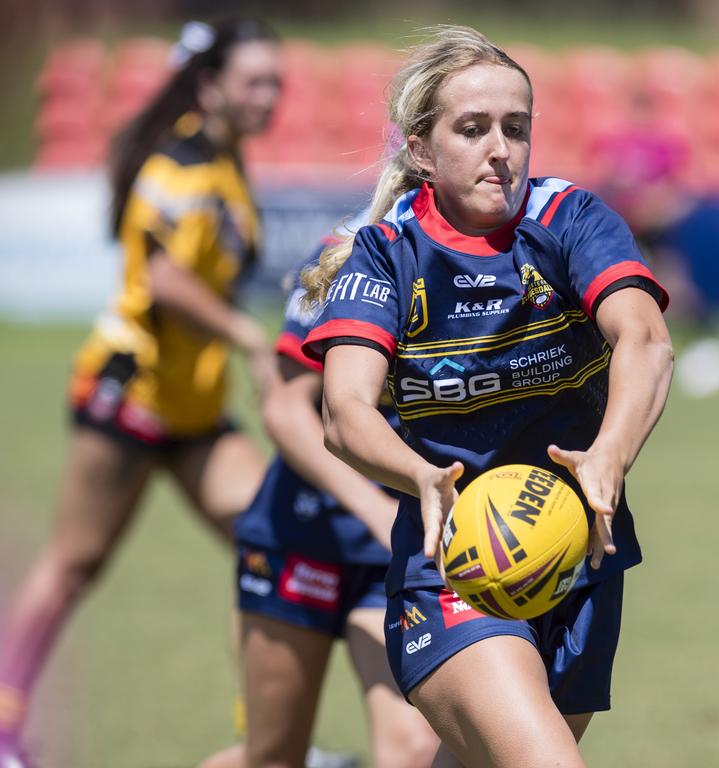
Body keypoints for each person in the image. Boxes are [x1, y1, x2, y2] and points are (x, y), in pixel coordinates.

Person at [300, 26, 674, 768]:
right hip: (453, 566)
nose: (500, 148)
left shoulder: (569, 220)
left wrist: (608, 457)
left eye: (516, 128)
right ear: (421, 149)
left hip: (579, 556)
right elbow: (343, 412)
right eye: (472, 129)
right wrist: (419, 477)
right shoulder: (386, 252)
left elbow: (646, 340)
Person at [0, 19, 282, 765]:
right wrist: (249, 336)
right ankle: (2, 730)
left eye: (277, 81)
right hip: (129, 394)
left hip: (194, 411)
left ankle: (268, 742)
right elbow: (162, 280)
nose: (271, 96)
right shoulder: (179, 166)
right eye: (255, 81)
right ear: (210, 83)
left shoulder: (223, 160)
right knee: (73, 563)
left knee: (270, 539)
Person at [202, 237, 439, 768]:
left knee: (419, 749)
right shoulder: (347, 248)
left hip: (398, 551)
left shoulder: (476, 254)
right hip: (300, 537)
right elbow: (286, 410)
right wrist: (373, 509)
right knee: (274, 756)